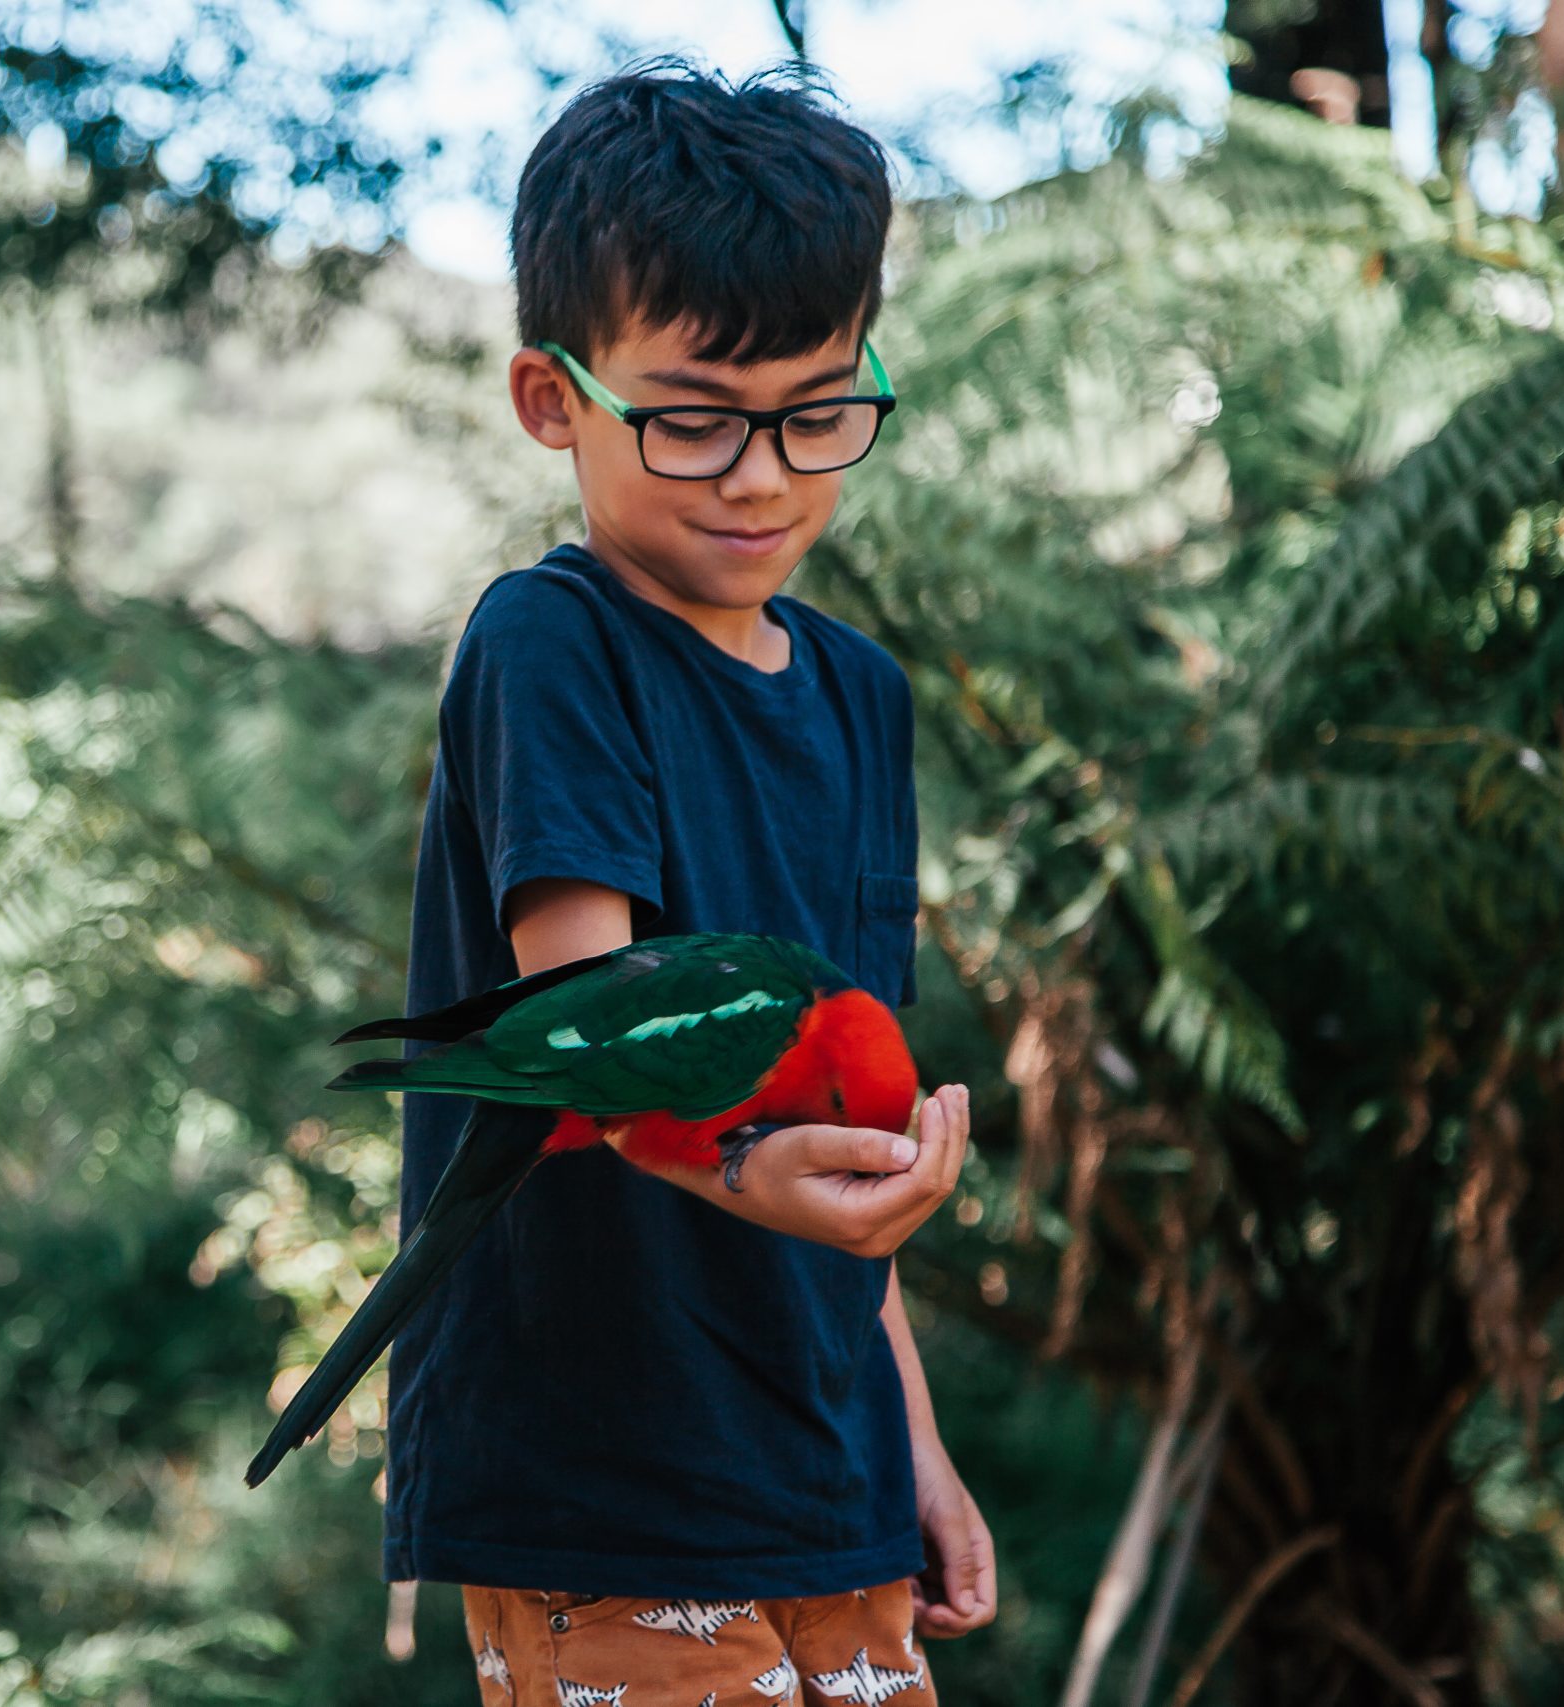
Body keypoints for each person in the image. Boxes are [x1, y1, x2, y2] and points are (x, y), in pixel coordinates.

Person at [379, 57, 997, 1705]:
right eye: (694, 420)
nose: (762, 476)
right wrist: (757, 1171)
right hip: (604, 1486)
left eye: (817, 412)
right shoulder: (553, 644)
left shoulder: (861, 694)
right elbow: (597, 1030)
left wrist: (910, 1444)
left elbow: (834, 1112)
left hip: (828, 1482)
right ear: (550, 398)